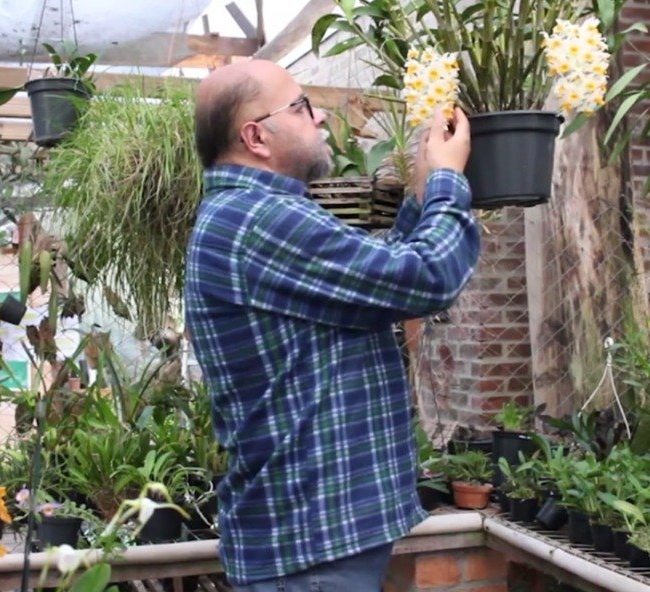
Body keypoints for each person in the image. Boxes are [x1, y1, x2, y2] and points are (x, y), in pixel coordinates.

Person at [184, 59, 479, 592]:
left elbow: (375, 278)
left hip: (313, 543)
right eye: (301, 106)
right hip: (310, 549)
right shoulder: (258, 221)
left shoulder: (262, 213)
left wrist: (419, 192)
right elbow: (429, 278)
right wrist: (446, 180)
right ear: (256, 136)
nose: (320, 117)